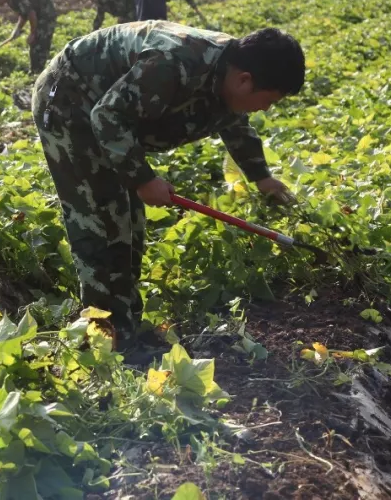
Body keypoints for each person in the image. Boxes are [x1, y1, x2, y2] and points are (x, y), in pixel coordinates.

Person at [31, 21, 304, 360]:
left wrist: (261, 176)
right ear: (245, 80)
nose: (266, 109)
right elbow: (108, 116)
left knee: (127, 222)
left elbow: (232, 119)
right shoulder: (172, 63)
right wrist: (143, 179)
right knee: (100, 221)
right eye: (269, 100)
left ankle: (125, 327)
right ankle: (104, 344)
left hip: (111, 112)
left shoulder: (231, 71)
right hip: (71, 102)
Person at [0, 0, 59, 74]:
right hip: (37, 14)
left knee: (40, 40)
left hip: (46, 12)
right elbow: (23, 15)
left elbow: (31, 14)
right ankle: (35, 70)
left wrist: (32, 33)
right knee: (34, 42)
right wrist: (17, 30)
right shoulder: (10, 0)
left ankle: (39, 71)